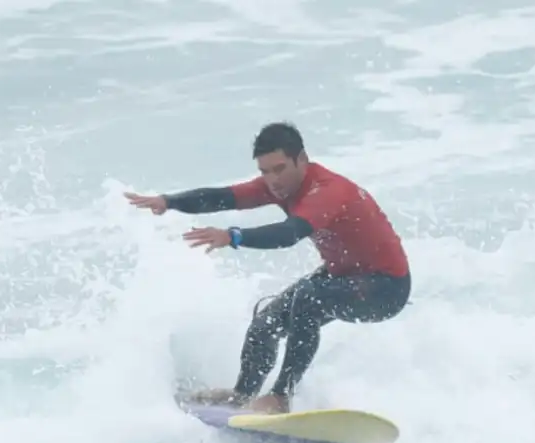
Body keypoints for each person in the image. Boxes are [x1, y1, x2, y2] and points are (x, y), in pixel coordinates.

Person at [125, 122, 411, 414]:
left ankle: (280, 397)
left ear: (302, 160)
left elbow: (290, 234)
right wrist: (169, 201)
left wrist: (233, 236)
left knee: (309, 299)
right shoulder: (280, 187)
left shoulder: (328, 191)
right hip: (344, 275)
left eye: (279, 168)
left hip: (386, 287)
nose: (272, 180)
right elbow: (222, 197)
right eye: (264, 171)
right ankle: (242, 396)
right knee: (266, 323)